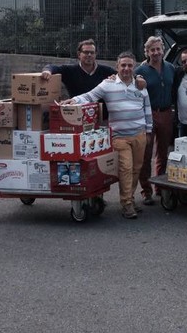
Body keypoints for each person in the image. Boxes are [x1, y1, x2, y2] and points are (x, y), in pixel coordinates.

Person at [60, 51, 152, 220]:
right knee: (126, 169)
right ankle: (126, 205)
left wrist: (148, 131)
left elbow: (147, 109)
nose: (126, 68)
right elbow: (90, 96)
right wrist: (73, 100)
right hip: (119, 136)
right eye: (123, 65)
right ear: (117, 67)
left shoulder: (140, 86)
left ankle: (129, 198)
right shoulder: (107, 84)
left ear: (134, 67)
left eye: (130, 65)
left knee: (136, 170)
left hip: (139, 134)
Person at [41, 39, 145, 117]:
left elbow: (125, 72)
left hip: (102, 118)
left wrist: (138, 77)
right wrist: (47, 71)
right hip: (77, 116)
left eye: (92, 52)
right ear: (79, 54)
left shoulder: (106, 71)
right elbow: (52, 67)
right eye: (86, 52)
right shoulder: (70, 70)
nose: (89, 55)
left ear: (95, 55)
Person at [135, 36, 175, 205]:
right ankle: (146, 190)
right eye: (152, 50)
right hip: (148, 114)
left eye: (159, 49)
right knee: (146, 153)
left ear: (163, 50)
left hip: (166, 113)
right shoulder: (140, 70)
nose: (156, 52)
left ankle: (159, 185)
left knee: (163, 153)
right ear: (147, 52)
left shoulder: (171, 68)